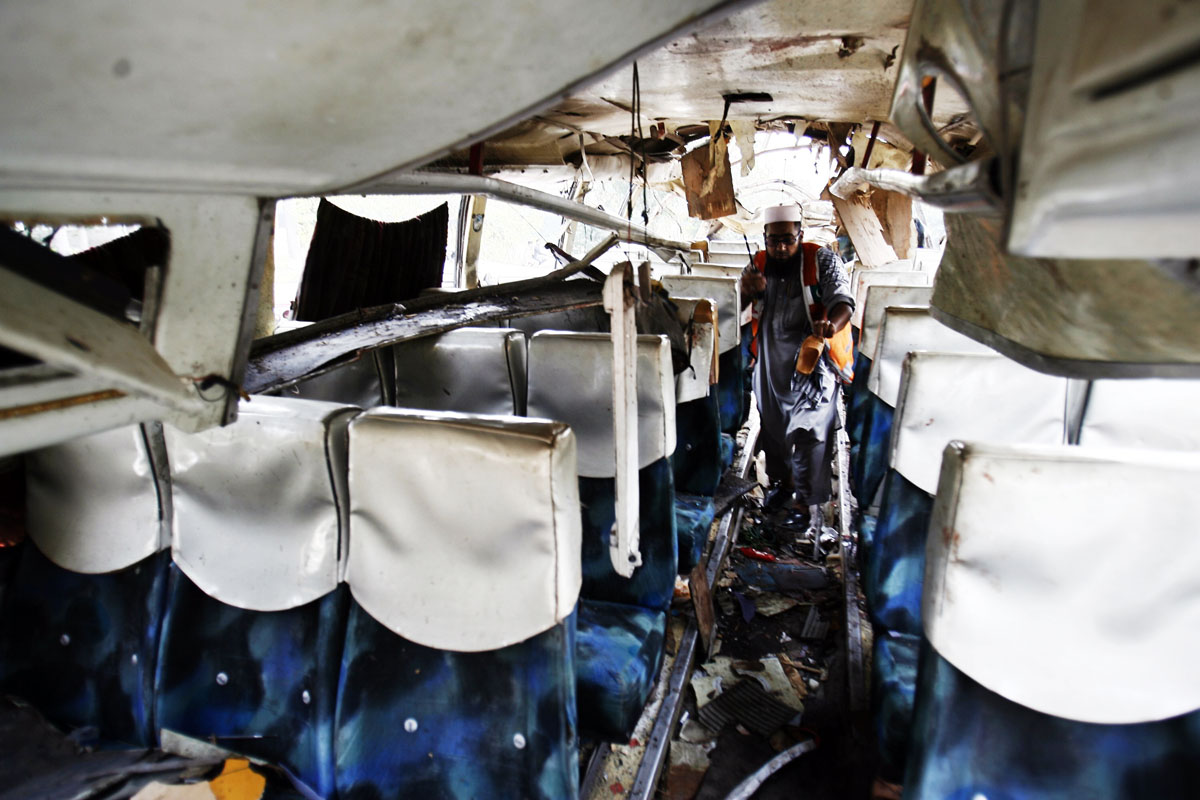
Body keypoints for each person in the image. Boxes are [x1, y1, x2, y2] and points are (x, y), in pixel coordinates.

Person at [741, 204, 854, 529]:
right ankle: (784, 486)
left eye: (787, 240)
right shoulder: (758, 265)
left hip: (813, 360)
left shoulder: (821, 259)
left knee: (809, 432)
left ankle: (804, 507)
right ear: (764, 238)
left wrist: (830, 325)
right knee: (775, 431)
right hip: (771, 362)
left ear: (800, 236)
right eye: (773, 240)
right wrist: (747, 291)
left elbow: (843, 302)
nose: (780, 247)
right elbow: (738, 305)